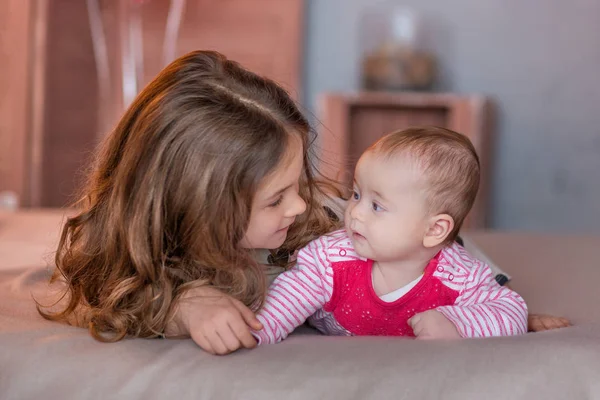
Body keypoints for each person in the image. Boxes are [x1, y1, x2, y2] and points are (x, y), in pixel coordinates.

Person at [253, 127, 528, 344]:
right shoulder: (330, 258)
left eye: (376, 206)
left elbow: (513, 311)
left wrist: (457, 323)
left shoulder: (459, 276)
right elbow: (288, 298)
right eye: (356, 194)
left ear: (434, 230)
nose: (355, 213)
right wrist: (256, 333)